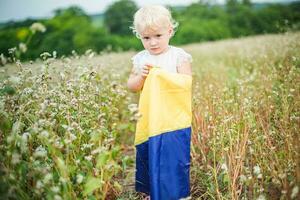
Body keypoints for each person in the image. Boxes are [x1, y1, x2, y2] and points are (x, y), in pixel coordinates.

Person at [127, 5, 193, 200]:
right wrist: (141, 76)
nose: (153, 43)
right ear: (139, 36)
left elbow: (186, 82)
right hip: (150, 118)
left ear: (170, 32)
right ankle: (153, 191)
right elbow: (132, 86)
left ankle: (178, 193)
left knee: (175, 155)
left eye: (158, 36)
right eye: (146, 38)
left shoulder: (178, 56)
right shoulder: (141, 59)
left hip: (174, 117)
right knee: (149, 152)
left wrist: (162, 76)